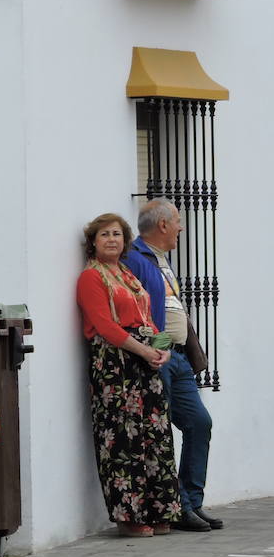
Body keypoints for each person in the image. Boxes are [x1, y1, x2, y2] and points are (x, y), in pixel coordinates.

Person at [75, 213, 181, 537]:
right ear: (93, 241)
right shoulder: (91, 278)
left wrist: (162, 348)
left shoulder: (126, 274)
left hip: (145, 362)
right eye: (105, 234)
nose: (112, 239)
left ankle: (160, 510)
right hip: (116, 367)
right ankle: (130, 517)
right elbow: (105, 325)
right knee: (124, 439)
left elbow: (148, 318)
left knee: (155, 437)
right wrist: (145, 351)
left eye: (117, 235)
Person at [123, 199, 221, 532]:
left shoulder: (160, 258)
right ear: (162, 225)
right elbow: (136, 313)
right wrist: (155, 347)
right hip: (158, 357)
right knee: (159, 433)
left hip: (177, 357)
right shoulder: (135, 258)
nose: (181, 227)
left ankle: (191, 501)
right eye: (177, 221)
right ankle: (172, 507)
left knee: (199, 423)